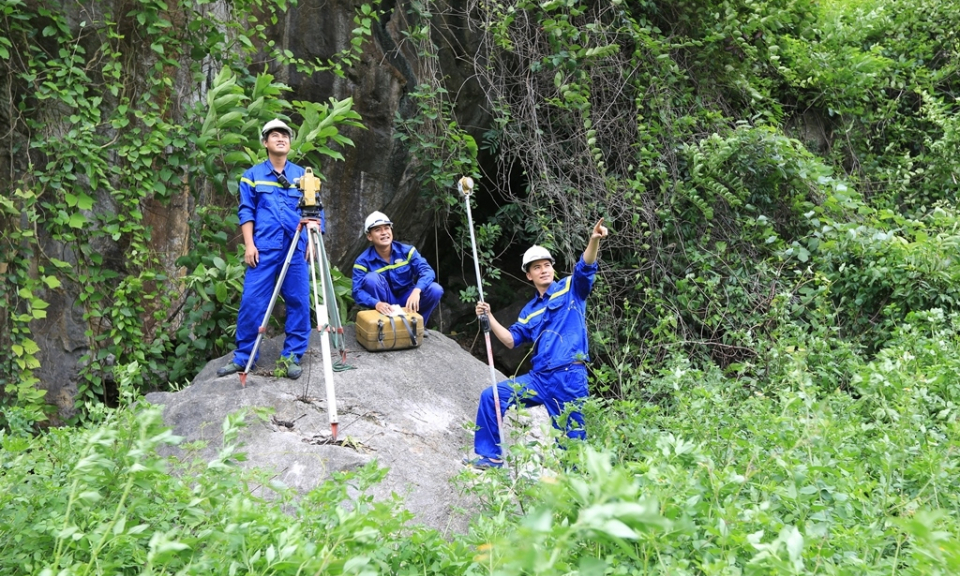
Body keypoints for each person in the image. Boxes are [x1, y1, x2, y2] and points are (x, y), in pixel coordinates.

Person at [466, 218, 608, 469]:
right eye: (536, 267)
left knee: (572, 441)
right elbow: (511, 340)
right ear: (528, 274)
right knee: (493, 396)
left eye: (547, 265)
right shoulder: (529, 310)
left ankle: (575, 494)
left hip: (569, 376)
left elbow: (586, 266)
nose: (543, 270)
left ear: (553, 268)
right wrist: (489, 316)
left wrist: (593, 240)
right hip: (539, 379)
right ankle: (491, 456)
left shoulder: (571, 288)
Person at [217, 119, 324, 380]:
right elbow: (246, 211)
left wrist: (313, 241)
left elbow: (317, 211)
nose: (281, 139)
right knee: (252, 302)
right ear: (265, 143)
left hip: (295, 249)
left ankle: (291, 358)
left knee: (298, 301)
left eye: (285, 135)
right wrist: (249, 244)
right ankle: (245, 357)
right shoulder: (252, 176)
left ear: (289, 143)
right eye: (274, 135)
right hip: (263, 250)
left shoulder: (303, 175)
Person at [352, 211, 444, 327]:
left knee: (435, 289)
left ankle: (418, 325)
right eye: (377, 230)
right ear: (369, 236)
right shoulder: (362, 261)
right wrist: (376, 303)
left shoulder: (407, 251)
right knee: (371, 279)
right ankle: (385, 327)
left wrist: (417, 290)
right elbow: (357, 291)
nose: (384, 233)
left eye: (387, 228)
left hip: (408, 298)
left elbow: (427, 271)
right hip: (384, 304)